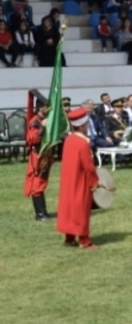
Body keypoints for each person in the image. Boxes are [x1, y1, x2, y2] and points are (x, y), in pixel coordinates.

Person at [56, 108, 101, 249]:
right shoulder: (83, 143)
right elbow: (88, 166)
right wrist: (94, 181)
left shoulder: (69, 140)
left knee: (70, 208)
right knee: (81, 209)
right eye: (86, 124)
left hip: (69, 179)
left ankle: (69, 238)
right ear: (82, 125)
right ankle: (84, 240)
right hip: (80, 180)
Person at [23, 90, 54, 221]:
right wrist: (43, 127)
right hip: (38, 157)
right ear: (41, 107)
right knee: (37, 183)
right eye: (46, 106)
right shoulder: (35, 121)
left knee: (42, 183)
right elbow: (32, 139)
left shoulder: (45, 119)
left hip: (46, 155)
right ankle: (40, 214)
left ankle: (43, 212)